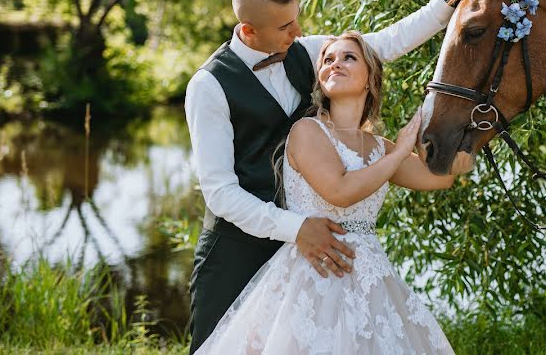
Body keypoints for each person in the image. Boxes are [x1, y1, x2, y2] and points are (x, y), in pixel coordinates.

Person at [185, 0, 508, 352]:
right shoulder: (208, 86)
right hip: (237, 249)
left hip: (322, 251)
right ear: (249, 32)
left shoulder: (306, 51)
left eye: (297, 17)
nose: (299, 31)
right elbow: (219, 192)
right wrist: (296, 228)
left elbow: (385, 44)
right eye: (287, 26)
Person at [197, 31, 462, 353]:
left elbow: (442, 176)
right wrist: (400, 151)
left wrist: (452, 125)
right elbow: (340, 191)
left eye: (348, 57)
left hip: (370, 281)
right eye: (327, 59)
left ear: (371, 78)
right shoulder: (307, 131)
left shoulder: (380, 147)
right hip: (311, 276)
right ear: (319, 80)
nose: (335, 64)